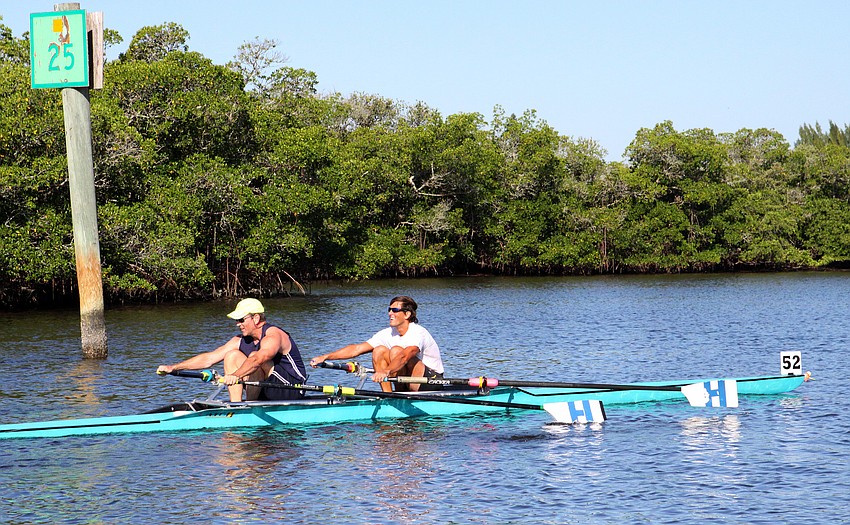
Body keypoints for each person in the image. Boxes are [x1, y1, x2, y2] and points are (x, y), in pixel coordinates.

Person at [156, 298, 308, 402]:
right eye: (236, 320)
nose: (238, 324)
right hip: (268, 388)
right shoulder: (239, 340)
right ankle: (237, 406)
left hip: (292, 389)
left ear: (255, 318)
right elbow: (209, 358)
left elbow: (258, 360)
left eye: (241, 319)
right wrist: (173, 367)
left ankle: (249, 406)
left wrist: (235, 375)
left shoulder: (273, 334)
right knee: (231, 355)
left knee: (254, 357)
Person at [310, 295, 444, 392]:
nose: (390, 313)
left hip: (431, 381)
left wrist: (386, 371)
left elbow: (405, 356)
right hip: (407, 380)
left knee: (397, 351)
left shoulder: (417, 332)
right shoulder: (388, 333)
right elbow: (356, 349)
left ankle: (399, 396)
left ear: (407, 314)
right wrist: (325, 357)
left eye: (395, 310)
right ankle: (388, 397)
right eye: (389, 310)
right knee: (379, 350)